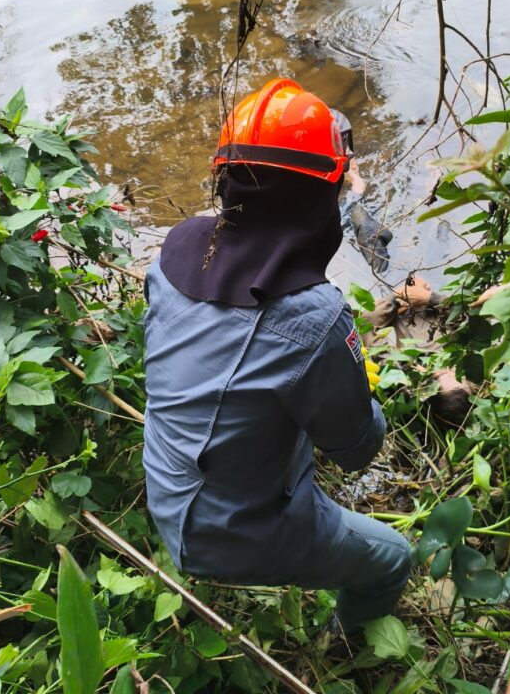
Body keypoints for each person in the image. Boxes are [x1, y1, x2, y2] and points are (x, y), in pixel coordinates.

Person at [143, 78, 411, 635]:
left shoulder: (174, 251)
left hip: (167, 490)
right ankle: (346, 648)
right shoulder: (315, 319)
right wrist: (359, 385)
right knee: (392, 559)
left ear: (229, 178)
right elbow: (357, 453)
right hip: (228, 537)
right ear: (319, 199)